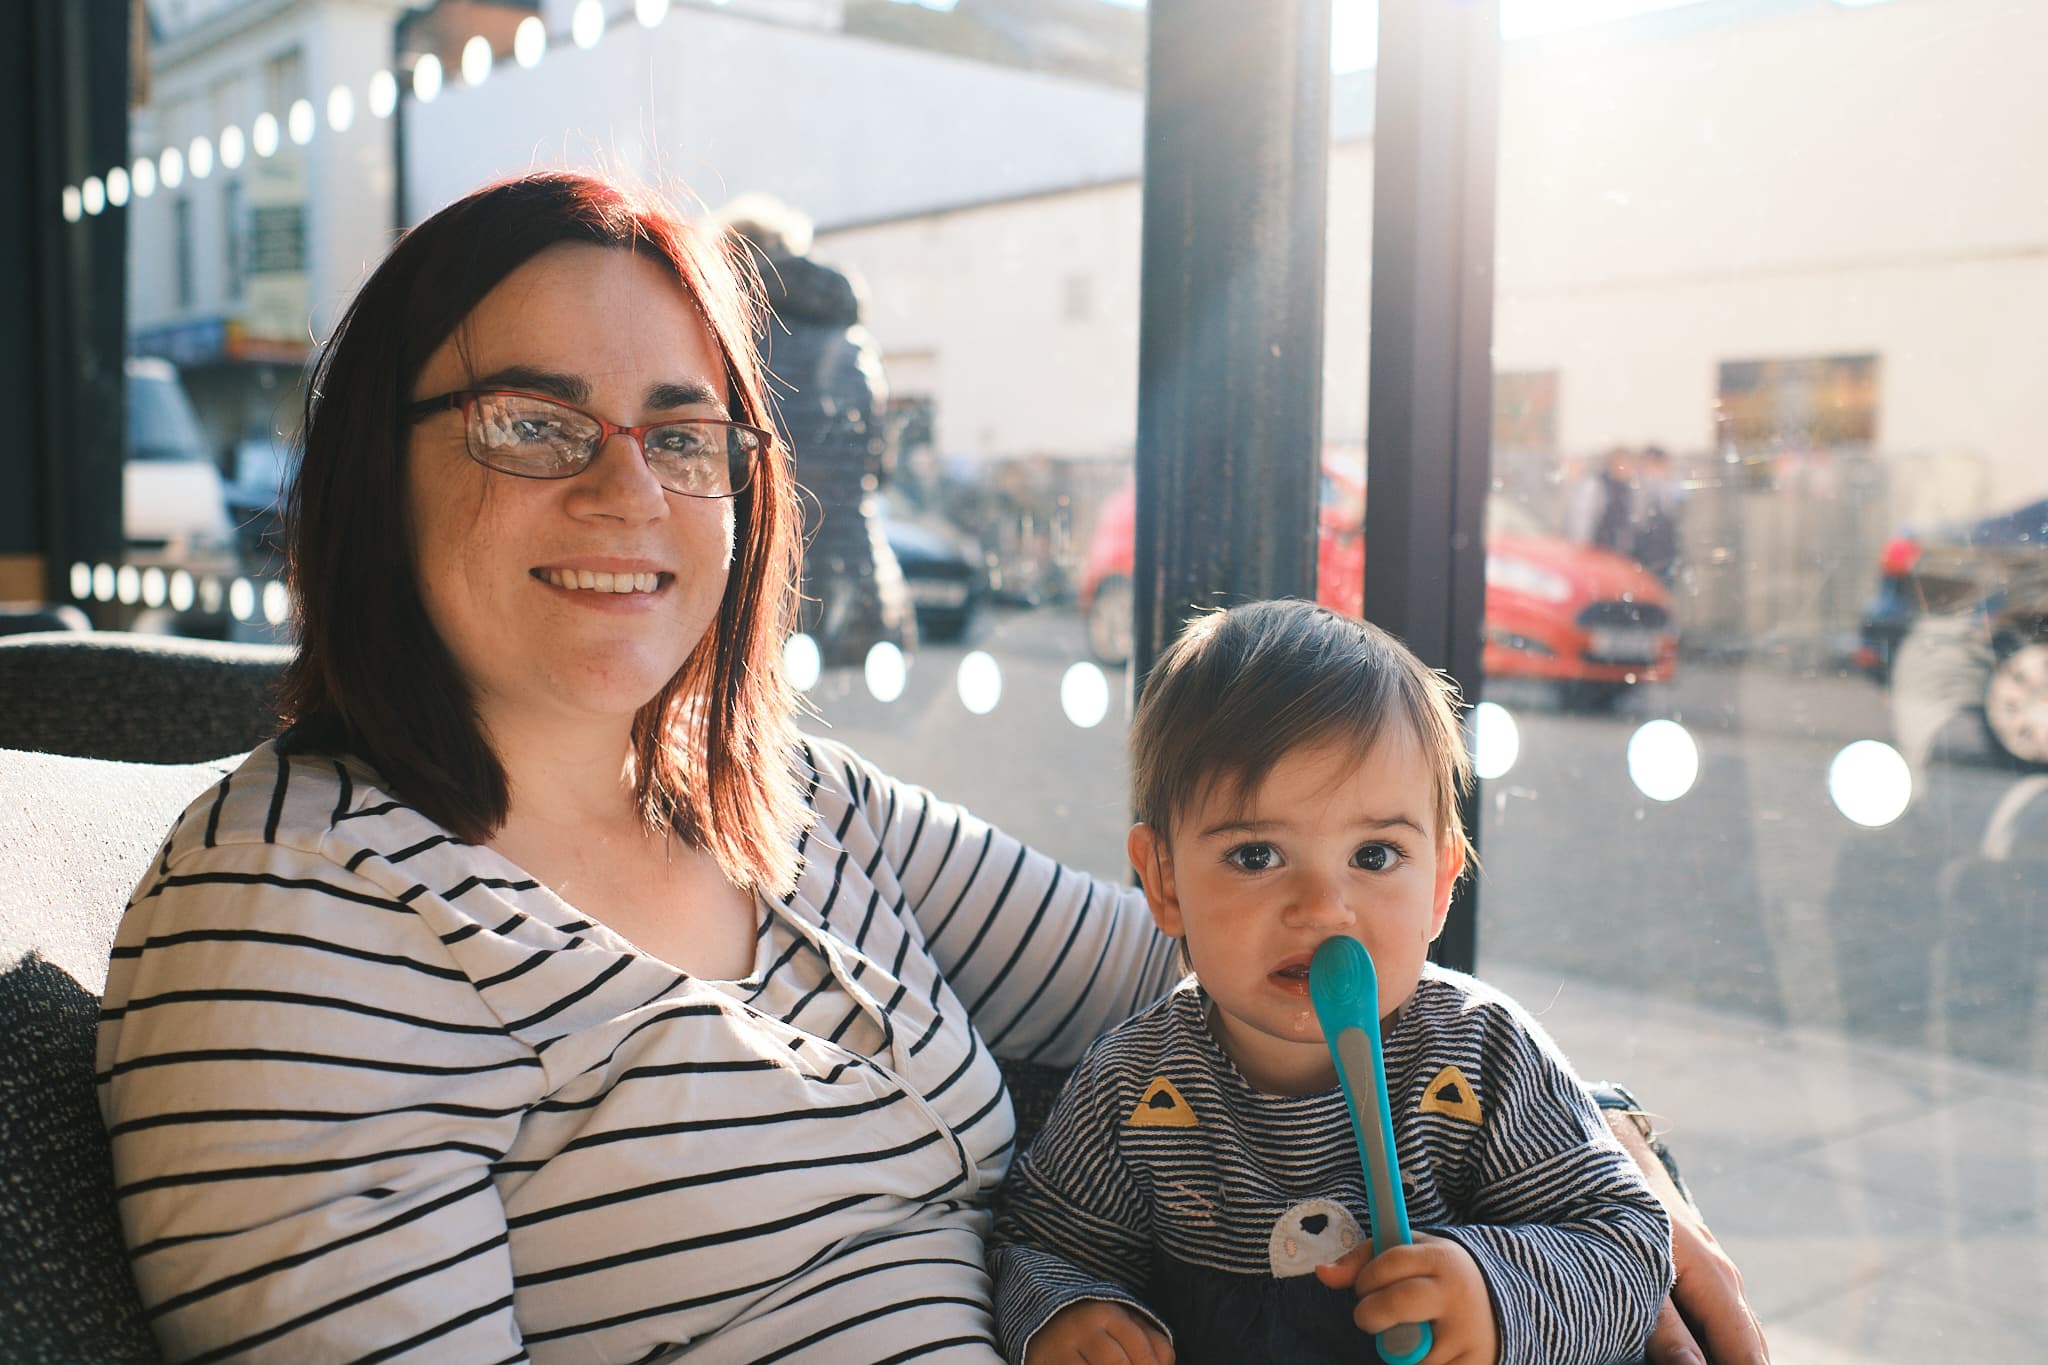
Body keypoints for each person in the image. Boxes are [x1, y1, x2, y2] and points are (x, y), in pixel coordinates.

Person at [94, 171, 1768, 1364]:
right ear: (364, 468)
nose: (629, 490)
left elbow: (1231, 967)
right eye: (531, 422)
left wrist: (1578, 1154)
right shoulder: (298, 928)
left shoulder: (777, 797)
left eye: (686, 433)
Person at [991, 600, 1676, 1365]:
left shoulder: (1486, 1058)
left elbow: (1630, 1244)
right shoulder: (1136, 1088)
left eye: (1375, 855)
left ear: (1442, 882)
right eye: (1256, 855)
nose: (1322, 908)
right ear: (1165, 881)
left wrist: (1494, 1292)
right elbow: (1037, 1243)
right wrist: (1066, 1311)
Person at [718, 192, 916, 665]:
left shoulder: (735, 334)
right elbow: (878, 470)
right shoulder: (851, 339)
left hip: (761, 563)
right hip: (853, 567)